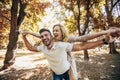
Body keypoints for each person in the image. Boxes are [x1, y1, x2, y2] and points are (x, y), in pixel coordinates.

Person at [22, 28, 114, 80]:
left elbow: (82, 46)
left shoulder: (62, 45)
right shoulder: (42, 47)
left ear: (51, 36)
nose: (44, 37)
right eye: (42, 36)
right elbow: (30, 48)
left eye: (46, 35)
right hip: (56, 74)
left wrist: (103, 41)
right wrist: (24, 37)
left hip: (67, 72)